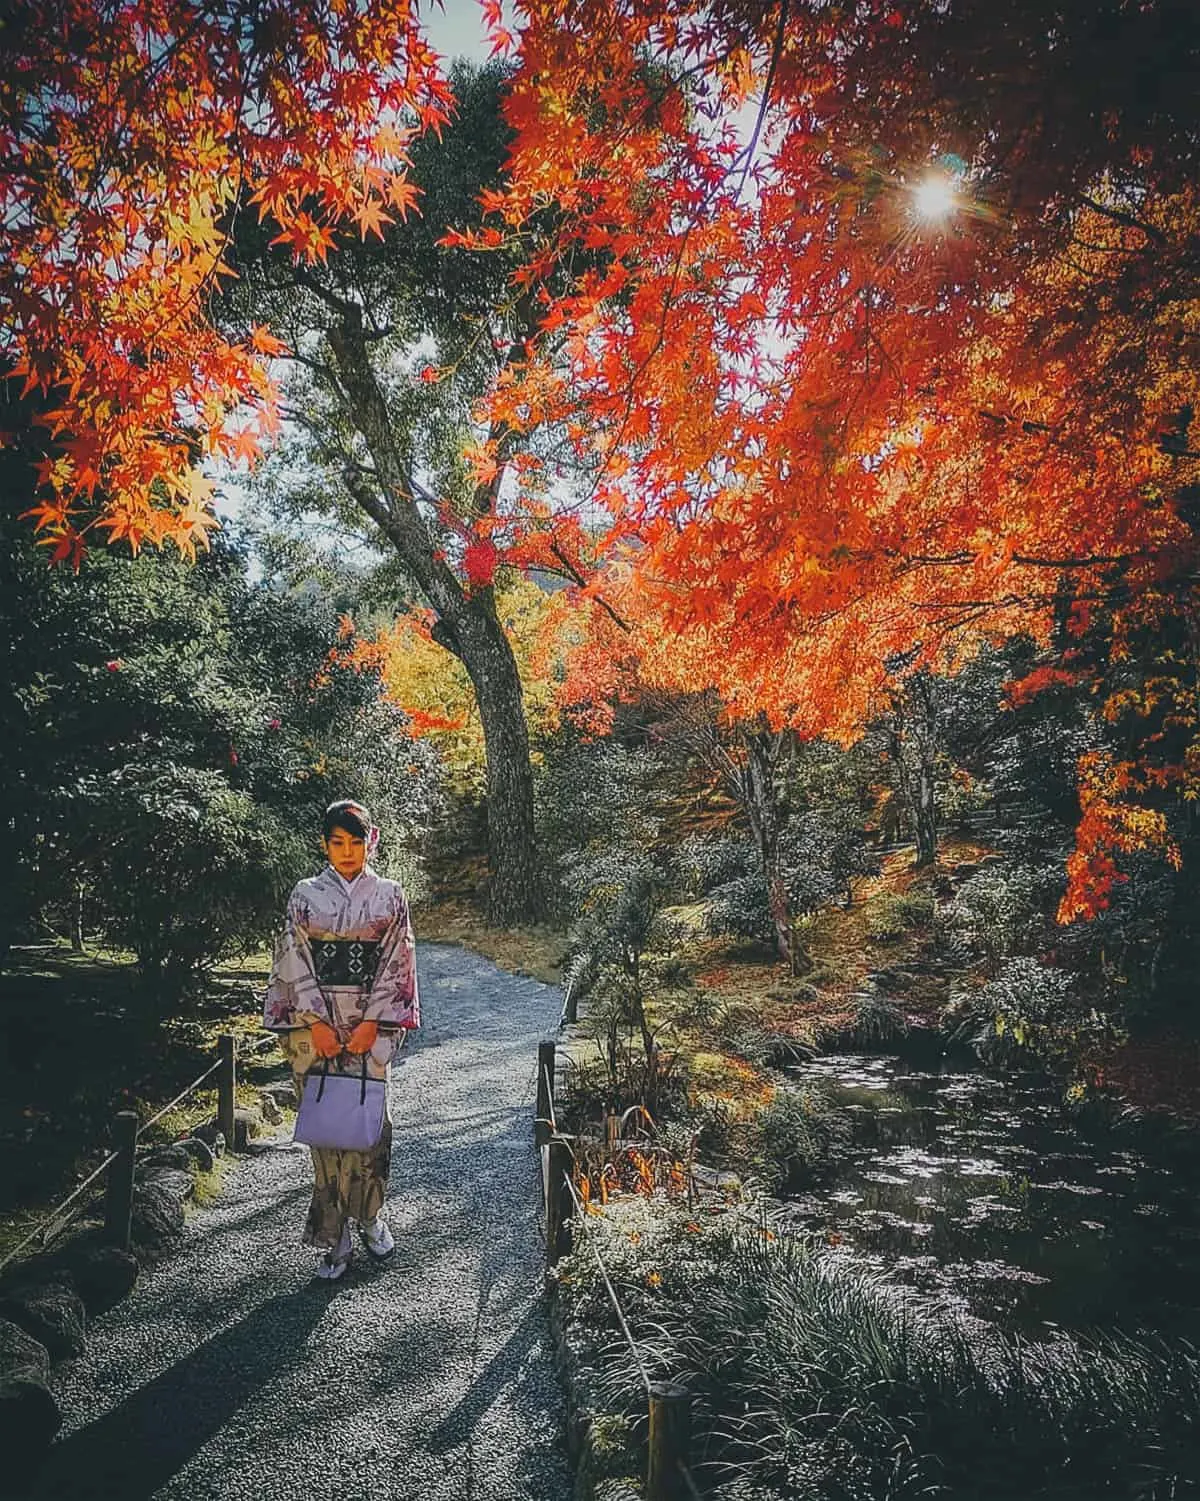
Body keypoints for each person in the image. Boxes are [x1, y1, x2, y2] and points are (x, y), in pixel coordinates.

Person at [263, 799, 420, 1280]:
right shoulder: (305, 895)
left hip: (372, 1021)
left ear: (371, 842)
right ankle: (336, 1235)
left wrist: (374, 1021)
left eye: (356, 842)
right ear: (324, 844)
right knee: (326, 1126)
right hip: (316, 1024)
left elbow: (399, 958)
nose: (347, 852)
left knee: (372, 1124)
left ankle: (370, 1214)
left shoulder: (390, 896)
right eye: (337, 842)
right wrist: (315, 1021)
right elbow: (292, 956)